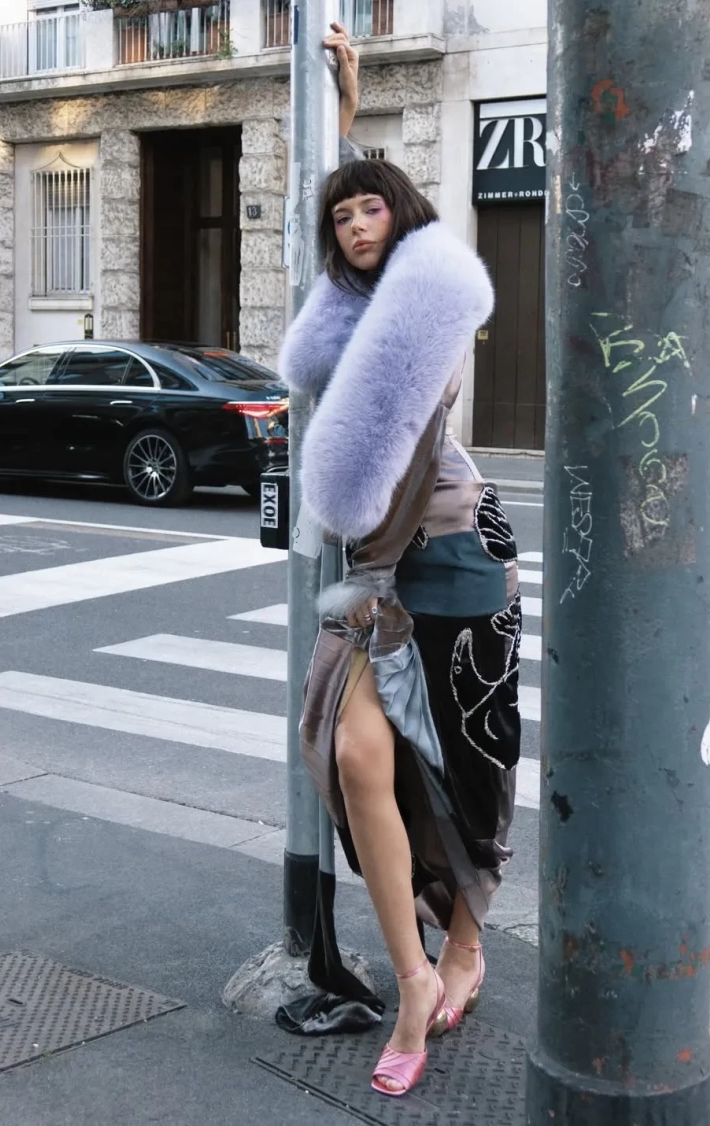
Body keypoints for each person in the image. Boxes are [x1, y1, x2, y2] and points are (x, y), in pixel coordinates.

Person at [279, 25, 521, 1100]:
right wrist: (341, 116)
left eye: (370, 209)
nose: (354, 225)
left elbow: (398, 426)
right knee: (356, 755)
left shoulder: (430, 297)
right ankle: (412, 979)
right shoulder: (345, 315)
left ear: (403, 214)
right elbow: (339, 227)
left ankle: (463, 947)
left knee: (468, 765)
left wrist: (360, 140)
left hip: (456, 546)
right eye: (340, 217)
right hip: (375, 569)